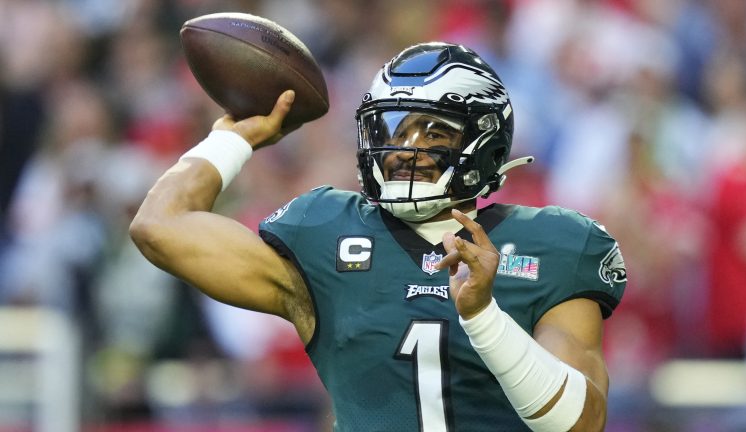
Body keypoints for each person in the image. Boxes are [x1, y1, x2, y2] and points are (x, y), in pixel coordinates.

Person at [130, 42, 627, 431]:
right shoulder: (325, 232)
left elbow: (581, 423)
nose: (404, 150)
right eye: (394, 130)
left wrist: (484, 318)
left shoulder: (553, 243)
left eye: (433, 132)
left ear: (486, 143)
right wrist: (233, 137)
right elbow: (159, 226)